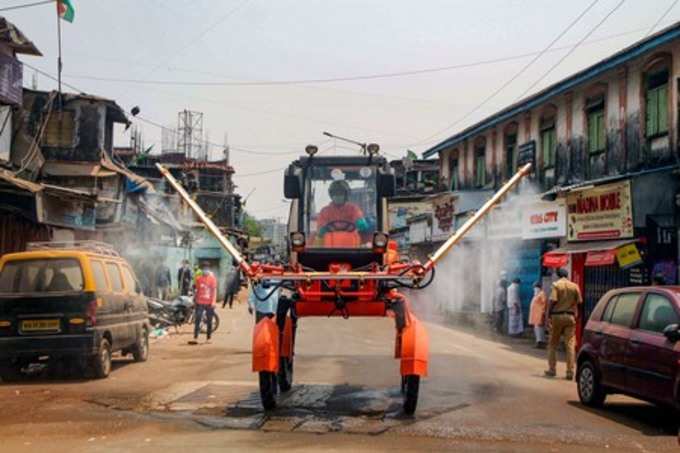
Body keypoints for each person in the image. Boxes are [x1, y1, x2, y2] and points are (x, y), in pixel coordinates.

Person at [545, 267, 583, 380]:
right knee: (570, 345)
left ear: (558, 275)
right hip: (570, 317)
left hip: (557, 316)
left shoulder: (556, 285)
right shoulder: (575, 286)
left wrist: (547, 316)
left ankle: (552, 370)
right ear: (567, 275)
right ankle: (570, 372)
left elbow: (553, 301)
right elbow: (580, 303)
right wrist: (578, 315)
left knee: (553, 344)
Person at [316, 180, 371, 247]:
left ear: (346, 195)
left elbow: (360, 222)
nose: (337, 196)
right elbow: (320, 229)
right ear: (331, 195)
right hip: (329, 246)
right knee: (316, 239)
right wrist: (322, 229)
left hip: (352, 246)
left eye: (341, 193)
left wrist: (360, 223)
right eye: (335, 193)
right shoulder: (325, 211)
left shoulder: (353, 209)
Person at [189, 263, 217, 345]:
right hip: (200, 302)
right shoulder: (198, 279)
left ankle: (208, 338)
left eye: (207, 268)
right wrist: (195, 300)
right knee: (197, 319)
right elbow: (197, 290)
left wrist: (213, 301)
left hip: (209, 303)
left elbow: (214, 290)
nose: (206, 270)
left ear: (209, 269)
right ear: (202, 270)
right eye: (204, 268)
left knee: (209, 320)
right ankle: (195, 338)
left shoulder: (212, 279)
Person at [529, 281, 547, 348]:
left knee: (539, 329)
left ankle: (541, 342)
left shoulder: (541, 294)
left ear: (539, 287)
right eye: (534, 287)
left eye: (536, 287)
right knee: (537, 329)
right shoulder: (537, 294)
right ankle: (539, 341)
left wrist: (543, 313)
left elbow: (544, 304)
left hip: (539, 315)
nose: (535, 288)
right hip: (536, 315)